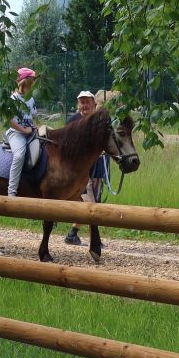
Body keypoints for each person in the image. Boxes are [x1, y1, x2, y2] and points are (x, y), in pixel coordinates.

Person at [64, 90, 109, 246]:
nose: (84, 106)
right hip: (80, 173)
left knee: (93, 203)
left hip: (98, 169)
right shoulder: (72, 121)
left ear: (94, 104)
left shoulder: (100, 122)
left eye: (87, 102)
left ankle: (72, 234)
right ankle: (95, 241)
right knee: (90, 205)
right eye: (81, 102)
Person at [5, 67, 38, 197]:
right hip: (16, 133)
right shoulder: (13, 98)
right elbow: (10, 120)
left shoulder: (30, 99)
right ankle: (11, 192)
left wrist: (34, 127)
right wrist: (24, 130)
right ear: (26, 82)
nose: (34, 83)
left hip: (30, 131)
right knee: (19, 155)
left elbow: (32, 117)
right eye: (33, 80)